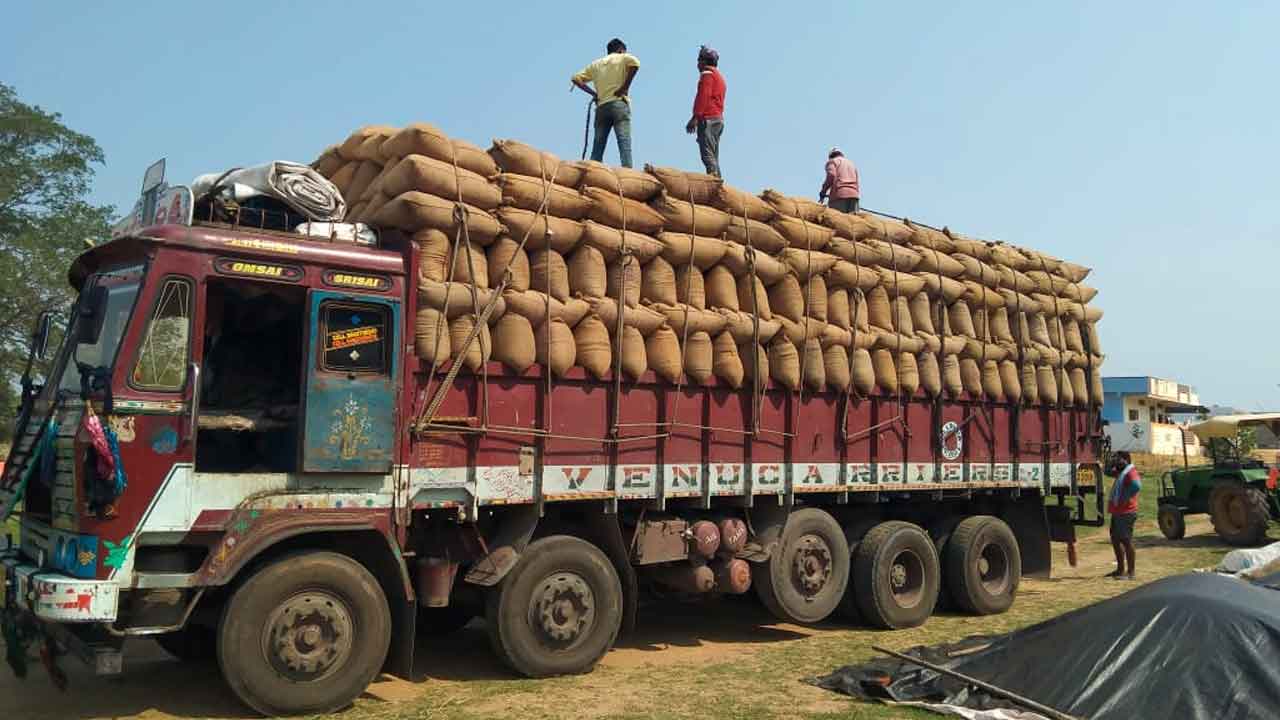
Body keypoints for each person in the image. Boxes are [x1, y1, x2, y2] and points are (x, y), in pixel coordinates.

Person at [572, 38, 641, 168]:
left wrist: (594, 94)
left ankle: (593, 170)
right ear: (621, 50)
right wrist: (624, 88)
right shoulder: (622, 58)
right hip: (618, 104)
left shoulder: (596, 64)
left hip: (602, 107)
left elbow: (576, 78)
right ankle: (628, 171)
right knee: (624, 141)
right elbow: (635, 63)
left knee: (598, 144)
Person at [685, 45, 726, 177]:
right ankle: (718, 182)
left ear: (704, 61)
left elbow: (704, 96)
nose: (697, 64)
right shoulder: (719, 77)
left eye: (699, 60)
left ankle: (713, 181)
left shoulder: (707, 74)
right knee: (713, 155)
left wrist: (695, 117)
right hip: (718, 119)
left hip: (708, 119)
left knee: (707, 155)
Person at [1106, 451, 1141, 580]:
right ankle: (1120, 569)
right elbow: (1106, 472)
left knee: (1126, 541)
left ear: (1126, 460)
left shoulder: (1130, 472)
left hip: (1127, 512)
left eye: (1119, 459)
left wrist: (1125, 497)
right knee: (1115, 539)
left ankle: (1131, 572)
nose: (1116, 462)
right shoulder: (1121, 472)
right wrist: (1108, 462)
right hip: (1118, 512)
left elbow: (1136, 485)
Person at [819, 148, 860, 213]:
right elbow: (857, 181)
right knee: (853, 221)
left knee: (838, 220)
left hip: (839, 196)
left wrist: (823, 192)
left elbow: (831, 175)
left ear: (830, 156)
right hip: (854, 196)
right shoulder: (851, 164)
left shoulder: (832, 162)